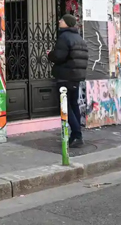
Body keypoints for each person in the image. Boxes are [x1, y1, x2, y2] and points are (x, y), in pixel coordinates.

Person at [47, 14, 88, 148]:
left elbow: (59, 56)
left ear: (67, 23)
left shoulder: (64, 37)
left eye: (62, 20)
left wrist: (50, 54)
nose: (59, 21)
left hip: (65, 77)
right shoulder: (79, 38)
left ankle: (76, 133)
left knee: (65, 106)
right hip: (76, 77)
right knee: (73, 104)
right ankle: (77, 136)